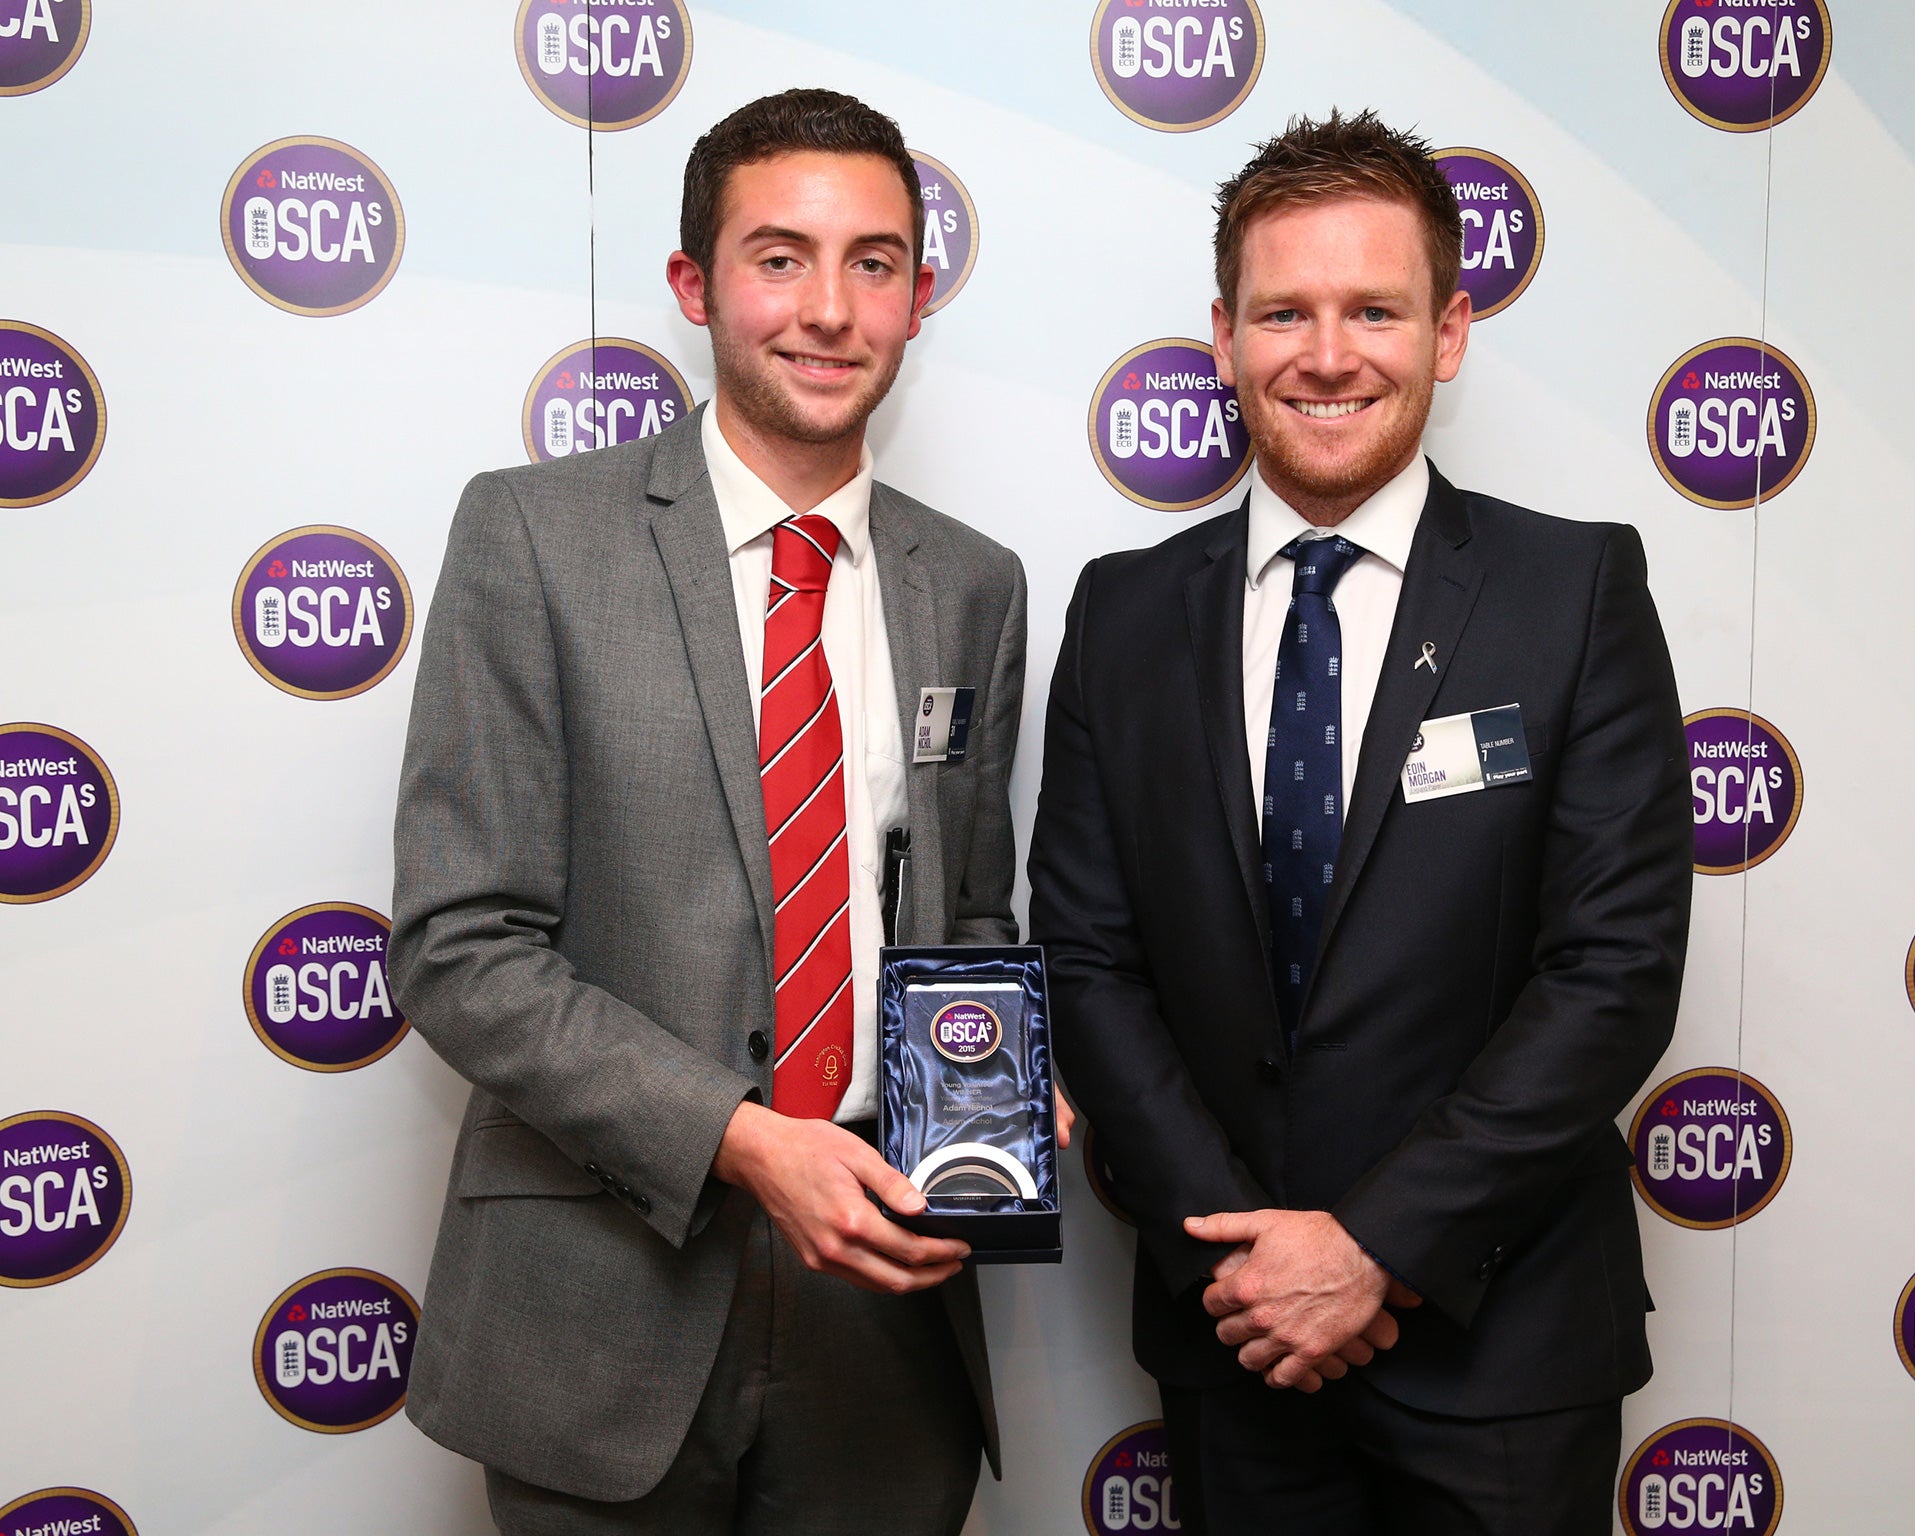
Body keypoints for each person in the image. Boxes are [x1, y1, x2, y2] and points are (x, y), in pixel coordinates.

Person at [391, 88, 1051, 1535]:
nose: (829, 309)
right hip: (601, 1295)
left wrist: (1006, 1093)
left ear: (918, 298)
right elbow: (461, 944)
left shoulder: (976, 583)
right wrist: (747, 1141)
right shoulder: (532, 536)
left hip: (887, 1294)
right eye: (779, 258)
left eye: (873, 263)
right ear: (695, 285)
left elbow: (974, 911)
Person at [1029, 109, 1693, 1534]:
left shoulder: (1572, 595)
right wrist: (1256, 1265)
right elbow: (1087, 965)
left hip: (1503, 1346)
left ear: (1448, 331)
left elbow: (1613, 971)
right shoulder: (1125, 614)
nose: (1328, 355)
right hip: (1237, 1335)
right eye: (1285, 311)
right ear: (1224, 335)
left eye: (1374, 309)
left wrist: (1377, 1249)